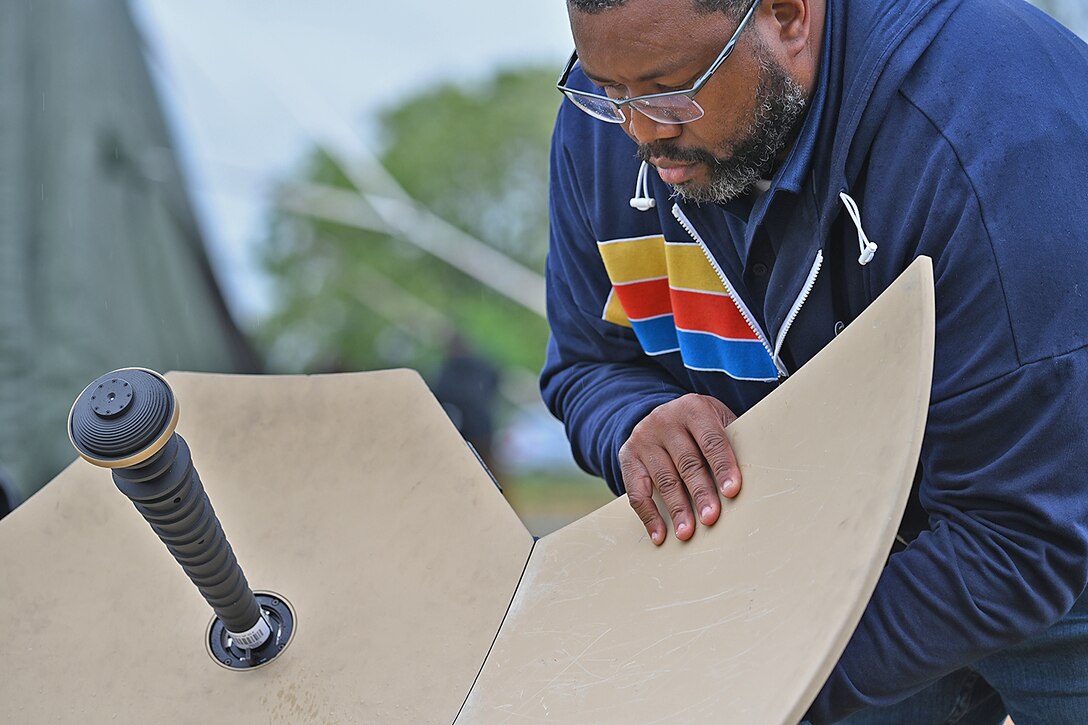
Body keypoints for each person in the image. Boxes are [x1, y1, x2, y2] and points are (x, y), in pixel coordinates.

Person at [539, 0, 1088, 722]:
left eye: (670, 90)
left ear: (787, 15)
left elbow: (1021, 536)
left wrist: (759, 681)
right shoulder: (607, 127)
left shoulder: (990, 126)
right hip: (830, 561)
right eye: (610, 91)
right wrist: (635, 422)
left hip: (1053, 540)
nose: (643, 133)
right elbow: (585, 364)